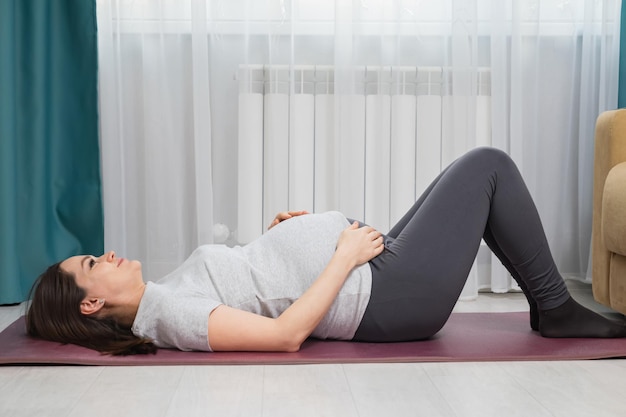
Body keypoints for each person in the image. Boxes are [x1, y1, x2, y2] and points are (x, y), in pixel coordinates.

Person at [26, 147, 626, 355]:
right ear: (90, 305)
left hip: (375, 274)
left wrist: (280, 236)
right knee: (488, 167)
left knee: (471, 177)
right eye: (89, 266)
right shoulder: (167, 314)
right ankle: (553, 308)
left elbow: (252, 284)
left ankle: (551, 306)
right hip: (387, 298)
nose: (103, 255)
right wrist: (337, 255)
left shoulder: (163, 294)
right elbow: (283, 335)